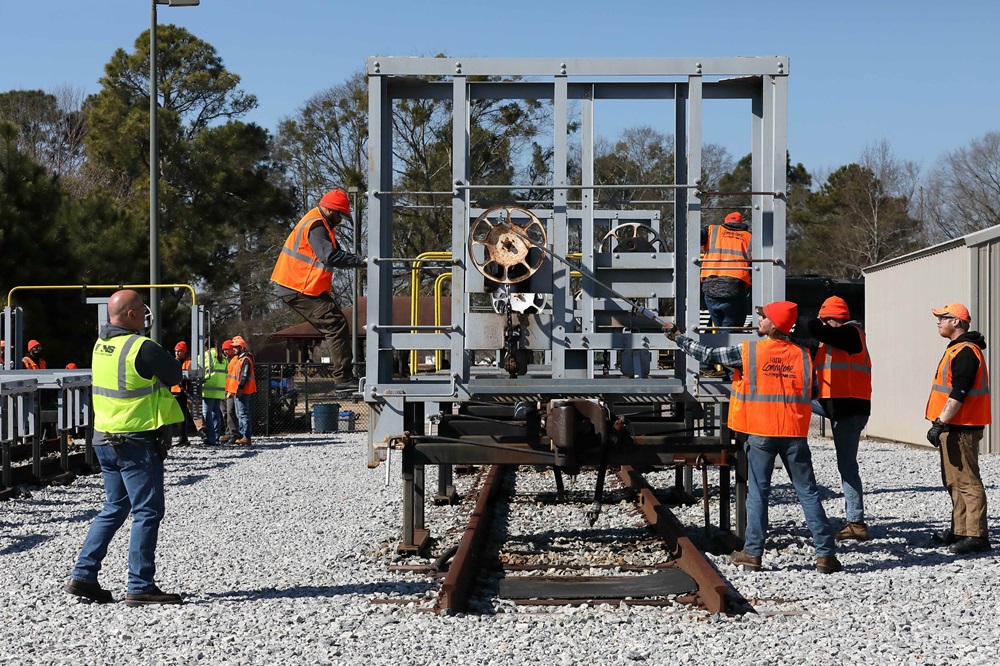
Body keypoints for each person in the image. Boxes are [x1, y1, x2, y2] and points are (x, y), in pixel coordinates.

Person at [665, 300, 841, 573]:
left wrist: (678, 338)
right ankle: (826, 555)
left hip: (761, 432)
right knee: (808, 493)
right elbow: (814, 391)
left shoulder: (749, 351)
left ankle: (753, 553)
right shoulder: (805, 355)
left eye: (764, 317)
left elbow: (708, 354)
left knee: (758, 493)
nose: (759, 320)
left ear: (775, 325)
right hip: (794, 433)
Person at [65, 289, 184, 605]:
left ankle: (83, 575)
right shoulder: (141, 347)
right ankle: (140, 585)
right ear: (131, 314)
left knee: (115, 506)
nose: (145, 314)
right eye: (142, 309)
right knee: (148, 511)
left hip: (104, 438)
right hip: (134, 441)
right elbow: (174, 374)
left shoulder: (101, 345)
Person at [270, 188, 365, 392]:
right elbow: (329, 256)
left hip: (301, 286)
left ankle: (345, 377)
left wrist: (359, 260)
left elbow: (336, 253)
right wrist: (361, 260)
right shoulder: (317, 225)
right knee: (335, 324)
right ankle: (343, 379)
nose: (340, 220)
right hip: (298, 286)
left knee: (335, 323)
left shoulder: (320, 223)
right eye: (340, 215)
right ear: (330, 210)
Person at [925, 303, 991, 555]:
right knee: (954, 481)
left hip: (962, 426)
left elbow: (959, 392)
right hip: (955, 425)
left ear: (957, 321)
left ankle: (976, 535)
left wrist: (940, 422)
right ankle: (961, 530)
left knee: (967, 482)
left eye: (943, 317)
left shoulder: (965, 352)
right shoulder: (957, 349)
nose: (938, 321)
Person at [808, 296, 872, 541]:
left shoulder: (851, 333)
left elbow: (817, 330)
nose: (822, 324)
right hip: (837, 407)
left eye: (826, 320)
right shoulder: (833, 340)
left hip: (849, 410)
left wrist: (812, 321)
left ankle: (856, 521)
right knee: (794, 400)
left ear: (835, 319)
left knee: (847, 465)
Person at [699, 212, 752, 378]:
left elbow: (694, 236)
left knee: (720, 328)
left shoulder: (712, 230)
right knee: (729, 332)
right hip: (734, 289)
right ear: (741, 223)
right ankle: (725, 369)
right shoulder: (748, 237)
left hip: (710, 288)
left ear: (725, 221)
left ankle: (707, 364)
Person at [226, 336, 256, 445]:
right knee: (240, 414)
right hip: (238, 391)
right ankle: (243, 436)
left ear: (242, 347)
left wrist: (240, 388)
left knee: (243, 414)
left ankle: (246, 437)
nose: (233, 349)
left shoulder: (245, 359)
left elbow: (244, 376)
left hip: (242, 391)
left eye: (236, 347)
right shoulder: (240, 359)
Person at [201, 341, 229, 446]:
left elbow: (196, 368)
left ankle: (210, 438)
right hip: (220, 389)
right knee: (215, 413)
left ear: (205, 346)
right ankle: (216, 437)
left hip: (208, 388)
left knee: (206, 414)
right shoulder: (223, 357)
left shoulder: (205, 355)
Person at [170, 341, 192, 446]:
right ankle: (180, 437)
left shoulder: (189, 362)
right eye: (176, 351)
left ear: (184, 352)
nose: (177, 353)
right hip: (174, 392)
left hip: (183, 393)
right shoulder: (173, 362)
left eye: (180, 351)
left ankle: (183, 438)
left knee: (182, 417)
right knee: (175, 417)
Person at [221, 340, 239, 444]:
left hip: (231, 390)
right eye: (224, 350)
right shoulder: (224, 360)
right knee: (225, 412)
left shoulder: (236, 360)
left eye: (227, 349)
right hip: (224, 389)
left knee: (230, 411)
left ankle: (233, 433)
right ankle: (228, 433)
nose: (225, 351)